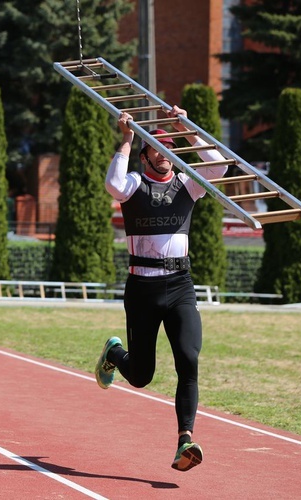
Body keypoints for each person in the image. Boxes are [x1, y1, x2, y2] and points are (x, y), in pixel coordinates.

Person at [95, 106, 229, 472]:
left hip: (179, 286)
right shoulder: (134, 184)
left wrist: (186, 130)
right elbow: (113, 185)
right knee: (141, 376)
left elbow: (219, 169)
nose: (164, 152)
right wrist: (126, 140)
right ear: (145, 155)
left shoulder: (187, 183)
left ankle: (185, 439)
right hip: (143, 289)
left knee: (189, 360)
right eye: (155, 147)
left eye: (168, 147)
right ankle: (114, 352)